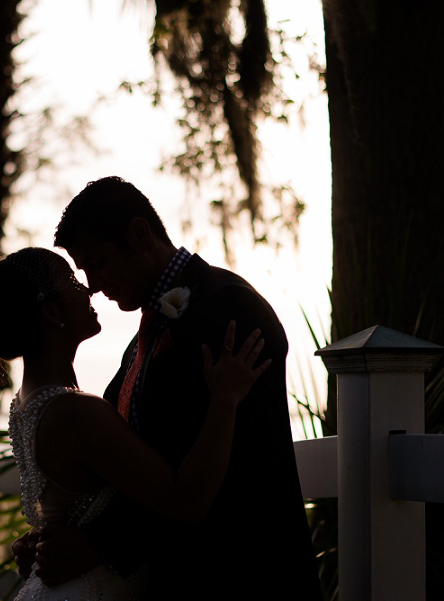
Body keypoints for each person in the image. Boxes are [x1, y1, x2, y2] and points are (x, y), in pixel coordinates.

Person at [16, 176, 323, 599]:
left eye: (98, 263)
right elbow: (121, 461)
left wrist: (99, 544)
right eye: (84, 271)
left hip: (242, 574)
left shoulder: (229, 309)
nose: (93, 285)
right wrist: (58, 534)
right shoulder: (140, 340)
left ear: (140, 236)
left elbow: (208, 473)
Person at [0, 247, 271, 601]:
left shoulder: (28, 401)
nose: (88, 289)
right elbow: (185, 500)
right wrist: (224, 401)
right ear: (51, 311)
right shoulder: (76, 412)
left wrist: (42, 538)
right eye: (71, 280)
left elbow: (65, 506)